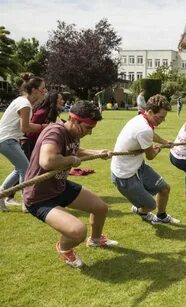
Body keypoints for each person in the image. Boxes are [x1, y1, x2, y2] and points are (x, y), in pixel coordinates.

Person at [23, 100, 118, 268]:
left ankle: (96, 240)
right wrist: (70, 160)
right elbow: (47, 161)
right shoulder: (55, 132)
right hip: (40, 197)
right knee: (78, 231)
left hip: (59, 187)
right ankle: (64, 249)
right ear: (73, 120)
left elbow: (74, 150)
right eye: (88, 128)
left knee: (100, 208)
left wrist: (97, 152)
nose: (89, 133)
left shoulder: (73, 134)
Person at [111, 94, 180, 224]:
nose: (162, 120)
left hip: (137, 166)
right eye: (160, 117)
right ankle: (140, 210)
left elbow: (151, 134)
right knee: (150, 206)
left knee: (164, 189)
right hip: (125, 175)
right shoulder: (143, 129)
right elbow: (150, 155)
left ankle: (161, 217)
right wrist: (159, 148)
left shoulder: (141, 118)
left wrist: (165, 142)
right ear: (149, 112)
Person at [0, 74, 47, 211]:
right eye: (42, 88)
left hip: (6, 139)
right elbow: (25, 127)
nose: (44, 91)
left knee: (19, 169)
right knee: (25, 169)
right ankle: (27, 203)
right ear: (33, 90)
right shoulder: (25, 104)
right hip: (6, 139)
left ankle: (2, 196)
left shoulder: (22, 101)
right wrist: (43, 127)